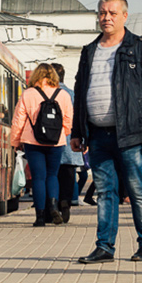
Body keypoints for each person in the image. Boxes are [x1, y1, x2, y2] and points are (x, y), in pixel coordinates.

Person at [70, 0, 142, 264]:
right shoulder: (90, 50)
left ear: (125, 16)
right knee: (105, 191)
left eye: (112, 13)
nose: (106, 18)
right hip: (97, 135)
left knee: (136, 189)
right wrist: (78, 131)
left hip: (131, 134)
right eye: (102, 13)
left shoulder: (139, 47)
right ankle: (104, 247)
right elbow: (80, 91)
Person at [9, 63, 74, 227]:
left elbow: (18, 120)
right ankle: (53, 206)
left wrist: (16, 141)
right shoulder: (63, 94)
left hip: (32, 141)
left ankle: (39, 217)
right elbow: (68, 120)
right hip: (56, 142)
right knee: (52, 175)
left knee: (38, 177)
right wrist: (61, 134)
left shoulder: (28, 94)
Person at [52, 63, 82, 221]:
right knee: (69, 174)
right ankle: (66, 202)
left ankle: (54, 204)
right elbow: (80, 116)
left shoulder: (45, 93)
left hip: (49, 140)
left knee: (52, 174)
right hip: (70, 140)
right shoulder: (71, 94)